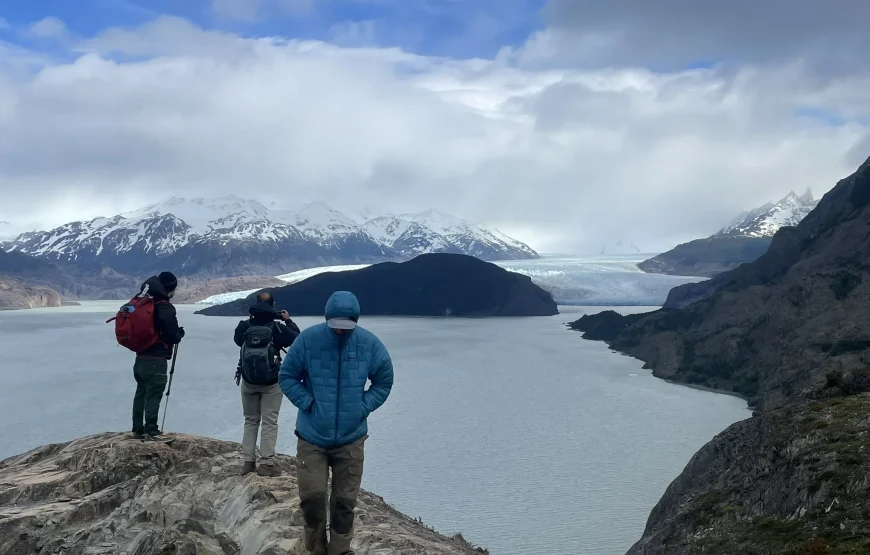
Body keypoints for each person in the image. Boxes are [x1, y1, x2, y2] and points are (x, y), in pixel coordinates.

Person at [279, 291, 393, 555]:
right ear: (327, 319)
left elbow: (384, 381)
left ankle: (340, 551)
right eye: (336, 327)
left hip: (351, 440)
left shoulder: (369, 344)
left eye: (346, 327)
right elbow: (287, 376)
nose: (341, 332)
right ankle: (316, 550)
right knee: (312, 500)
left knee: (344, 503)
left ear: (355, 321)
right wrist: (309, 404)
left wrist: (361, 408)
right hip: (312, 438)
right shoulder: (308, 340)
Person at [233, 291, 300, 477]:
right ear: (273, 305)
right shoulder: (277, 329)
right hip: (272, 382)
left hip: (248, 380)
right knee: (269, 422)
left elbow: (238, 341)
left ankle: (248, 462)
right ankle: (266, 464)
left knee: (250, 420)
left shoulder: (244, 327)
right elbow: (296, 337)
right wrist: (287, 320)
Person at [132, 271, 184, 442]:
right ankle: (152, 432)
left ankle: (138, 429)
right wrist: (178, 335)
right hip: (156, 360)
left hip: (140, 358)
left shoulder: (145, 302)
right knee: (154, 393)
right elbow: (170, 335)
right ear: (171, 289)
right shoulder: (164, 307)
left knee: (141, 392)